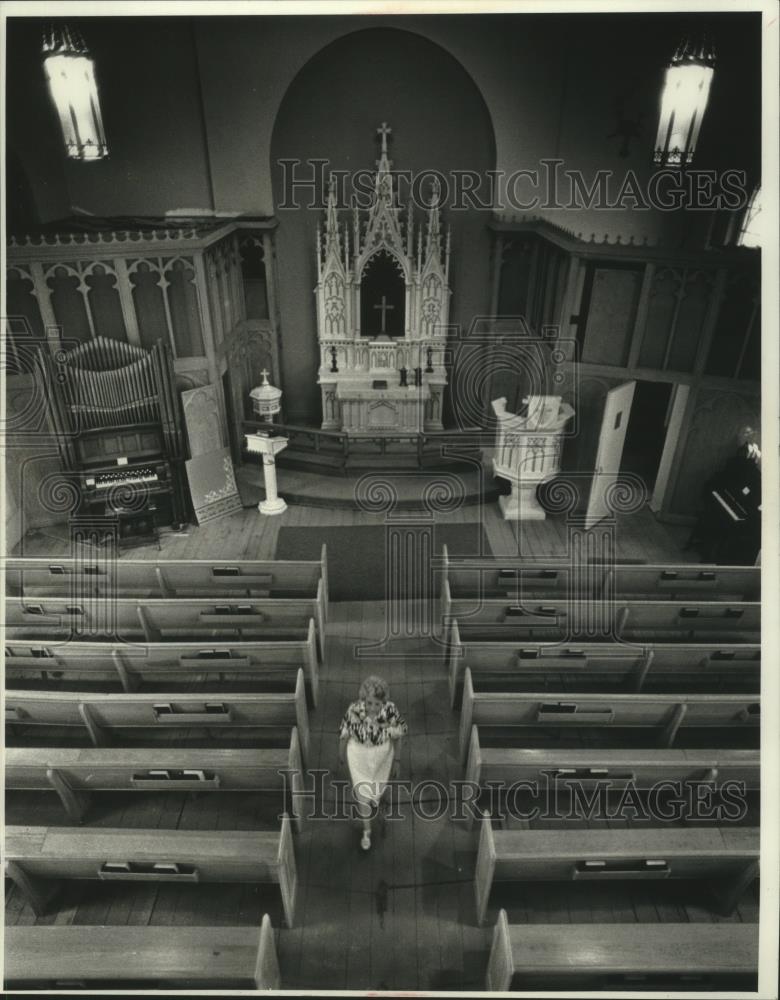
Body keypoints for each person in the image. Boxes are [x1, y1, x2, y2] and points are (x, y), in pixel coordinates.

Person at [338, 675, 407, 851]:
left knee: (379, 789)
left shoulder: (391, 710)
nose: (373, 708)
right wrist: (340, 754)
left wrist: (397, 761)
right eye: (369, 703)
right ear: (363, 700)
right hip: (358, 755)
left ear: (384, 702)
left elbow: (398, 737)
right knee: (362, 795)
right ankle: (367, 830)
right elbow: (345, 733)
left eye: (377, 704)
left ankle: (380, 806)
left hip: (382, 755)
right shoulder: (354, 709)